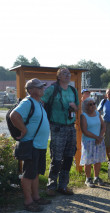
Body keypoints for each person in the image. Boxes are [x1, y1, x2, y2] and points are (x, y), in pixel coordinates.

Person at [10, 78, 51, 212]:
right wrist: (24, 130)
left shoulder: (38, 103)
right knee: (28, 174)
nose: (42, 89)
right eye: (39, 87)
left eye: (42, 86)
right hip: (31, 144)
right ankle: (28, 202)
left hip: (39, 145)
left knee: (35, 173)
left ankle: (36, 197)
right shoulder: (28, 102)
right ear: (31, 90)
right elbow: (14, 116)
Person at [42, 67, 79, 196]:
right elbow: (42, 103)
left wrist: (75, 108)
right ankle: (51, 186)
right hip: (57, 127)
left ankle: (63, 186)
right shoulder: (52, 89)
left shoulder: (73, 90)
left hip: (70, 127)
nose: (68, 75)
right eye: (64, 73)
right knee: (56, 157)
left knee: (69, 157)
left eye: (69, 73)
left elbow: (77, 108)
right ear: (58, 77)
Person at [80, 97, 106, 188]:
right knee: (88, 161)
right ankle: (88, 179)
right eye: (90, 104)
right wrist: (96, 137)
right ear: (85, 106)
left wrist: (101, 136)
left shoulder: (97, 113)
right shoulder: (84, 115)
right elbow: (84, 130)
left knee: (98, 160)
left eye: (94, 103)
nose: (93, 106)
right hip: (88, 141)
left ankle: (97, 177)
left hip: (98, 140)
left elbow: (103, 126)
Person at [97, 88, 110, 162]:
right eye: (109, 93)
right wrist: (100, 121)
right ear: (106, 95)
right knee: (107, 143)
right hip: (106, 125)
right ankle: (109, 159)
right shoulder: (104, 101)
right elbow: (98, 111)